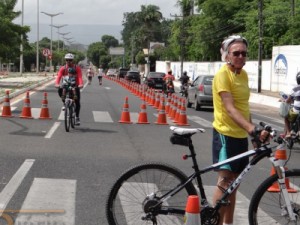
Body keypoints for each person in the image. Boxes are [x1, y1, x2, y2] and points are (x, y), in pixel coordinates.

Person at [212, 35, 267, 225]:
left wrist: (252, 133)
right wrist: (251, 128)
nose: (241, 57)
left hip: (241, 136)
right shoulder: (222, 75)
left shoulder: (242, 75)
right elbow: (230, 107)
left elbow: (244, 107)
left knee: (235, 185)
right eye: (236, 53)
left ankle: (229, 223)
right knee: (225, 181)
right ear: (227, 55)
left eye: (244, 53)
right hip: (225, 135)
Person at [55, 53, 83, 125]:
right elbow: (59, 77)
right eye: (67, 60)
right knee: (60, 90)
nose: (68, 61)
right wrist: (57, 84)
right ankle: (64, 103)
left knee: (77, 102)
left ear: (72, 60)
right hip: (65, 85)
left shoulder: (77, 68)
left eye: (70, 60)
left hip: (75, 86)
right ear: (65, 60)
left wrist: (80, 84)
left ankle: (77, 117)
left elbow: (79, 77)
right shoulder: (63, 68)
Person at [283, 72, 300, 137]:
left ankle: (289, 132)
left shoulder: (295, 89)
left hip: (297, 111)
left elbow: (288, 100)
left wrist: (284, 100)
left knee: (286, 117)